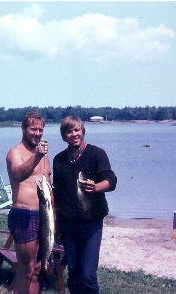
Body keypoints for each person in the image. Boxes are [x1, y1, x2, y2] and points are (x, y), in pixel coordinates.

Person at [52, 115, 117, 294]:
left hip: (91, 224)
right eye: (69, 131)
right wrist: (55, 224)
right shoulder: (59, 160)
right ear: (64, 135)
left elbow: (111, 180)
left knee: (88, 274)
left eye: (77, 130)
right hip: (68, 224)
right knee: (74, 271)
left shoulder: (97, 153)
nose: (74, 134)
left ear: (82, 131)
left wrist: (97, 187)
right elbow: (57, 192)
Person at [6, 112, 53, 294]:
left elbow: (49, 187)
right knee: (28, 270)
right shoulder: (15, 152)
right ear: (23, 129)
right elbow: (18, 174)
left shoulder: (44, 156)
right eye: (33, 129)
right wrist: (37, 157)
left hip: (45, 216)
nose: (37, 133)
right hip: (24, 215)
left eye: (41, 129)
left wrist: (54, 218)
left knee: (37, 270)